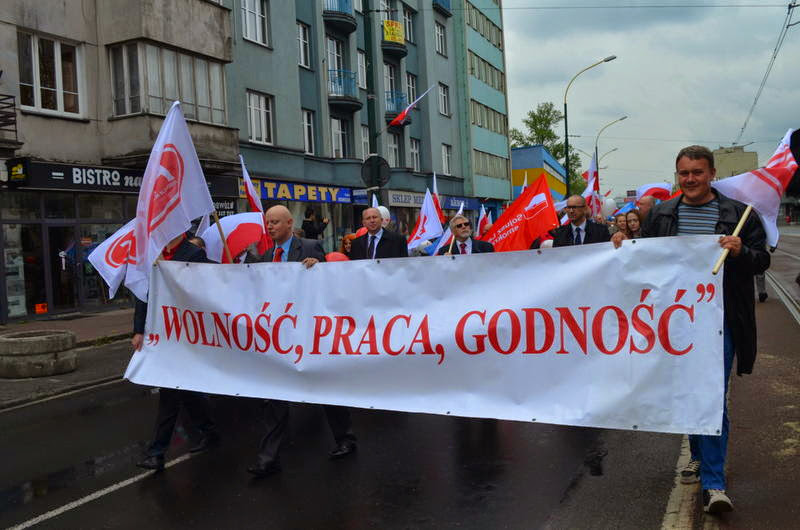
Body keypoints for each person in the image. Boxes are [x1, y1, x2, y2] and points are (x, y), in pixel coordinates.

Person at [612, 145, 770, 514]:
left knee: (710, 395)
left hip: (720, 321)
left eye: (697, 172)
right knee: (688, 391)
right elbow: (643, 258)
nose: (690, 179)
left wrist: (741, 251)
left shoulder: (739, 215)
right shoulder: (662, 214)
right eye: (684, 173)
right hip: (675, 321)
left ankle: (714, 484)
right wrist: (622, 246)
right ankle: (699, 454)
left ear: (712, 174)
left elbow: (762, 260)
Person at [247, 205, 357, 478]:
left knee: (324, 387)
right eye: (268, 222)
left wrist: (318, 268)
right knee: (274, 397)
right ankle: (268, 458)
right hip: (279, 337)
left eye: (275, 222)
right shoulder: (265, 257)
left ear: (289, 223)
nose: (270, 226)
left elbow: (326, 285)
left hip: (308, 333)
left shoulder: (309, 247)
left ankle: (345, 438)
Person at [133, 233, 220, 471]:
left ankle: (157, 452)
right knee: (183, 389)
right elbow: (143, 295)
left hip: (186, 334)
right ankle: (209, 431)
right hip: (162, 333)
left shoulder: (193, 254)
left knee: (170, 392)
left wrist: (169, 272)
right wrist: (138, 330)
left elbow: (203, 289)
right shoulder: (154, 255)